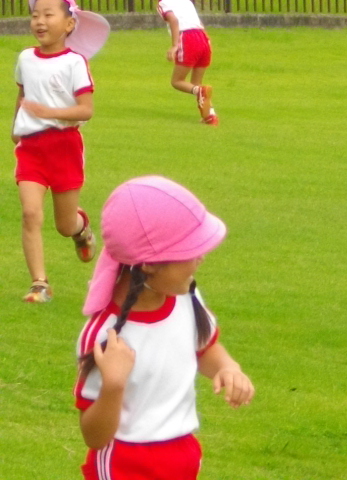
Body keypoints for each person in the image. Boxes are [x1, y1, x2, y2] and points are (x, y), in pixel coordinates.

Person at [74, 175, 255, 479]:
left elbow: (203, 346)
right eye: (190, 250)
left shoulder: (186, 297)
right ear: (149, 263)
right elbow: (94, 437)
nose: (200, 257)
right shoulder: (106, 336)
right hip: (124, 464)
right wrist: (113, 385)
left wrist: (227, 367)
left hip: (182, 453)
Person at [11, 0, 110, 303]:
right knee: (30, 214)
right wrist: (16, 127)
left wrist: (47, 111)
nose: (39, 21)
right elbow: (23, 93)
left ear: (69, 24)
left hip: (65, 147)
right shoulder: (26, 58)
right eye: (35, 15)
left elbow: (86, 110)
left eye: (48, 15)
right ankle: (40, 284)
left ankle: (81, 228)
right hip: (31, 148)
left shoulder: (75, 63)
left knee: (64, 226)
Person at [157, 0, 218, 125]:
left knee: (177, 81)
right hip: (203, 37)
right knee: (196, 84)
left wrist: (174, 45)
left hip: (187, 38)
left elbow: (174, 20)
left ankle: (201, 95)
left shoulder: (163, 3)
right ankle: (210, 116)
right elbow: (198, 22)